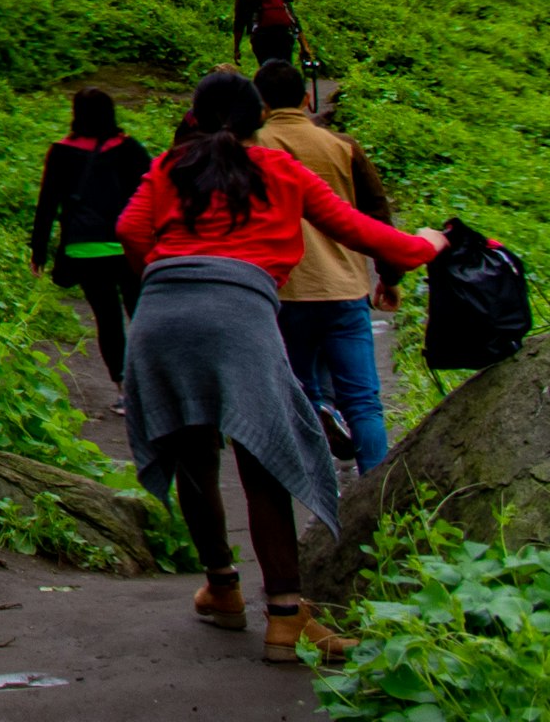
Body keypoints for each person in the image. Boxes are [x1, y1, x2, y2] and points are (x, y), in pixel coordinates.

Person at [118, 69, 441, 667]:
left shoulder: (169, 167)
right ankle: (287, 620)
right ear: (259, 119)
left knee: (194, 455)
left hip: (163, 315)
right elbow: (369, 235)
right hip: (239, 314)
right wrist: (427, 244)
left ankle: (222, 585)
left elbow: (130, 230)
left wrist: (168, 279)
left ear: (193, 115)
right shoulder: (282, 171)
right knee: (262, 458)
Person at [254, 61, 403, 470]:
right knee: (364, 402)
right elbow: (376, 215)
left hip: (283, 292)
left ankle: (317, 471)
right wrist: (389, 277)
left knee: (299, 393)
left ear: (260, 104)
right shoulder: (342, 146)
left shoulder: (250, 147)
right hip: (344, 287)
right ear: (305, 98)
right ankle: (377, 498)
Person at [30, 88, 152, 379]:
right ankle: (148, 380)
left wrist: (38, 250)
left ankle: (122, 387)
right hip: (128, 247)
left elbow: (47, 203)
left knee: (107, 320)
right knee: (142, 315)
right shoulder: (129, 148)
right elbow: (152, 193)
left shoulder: (61, 152)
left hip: (84, 249)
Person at [228, 0, 298, 68]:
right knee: (285, 68)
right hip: (284, 34)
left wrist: (236, 48)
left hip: (261, 37)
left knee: (267, 69)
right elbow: (292, 16)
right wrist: (304, 45)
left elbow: (239, 23)